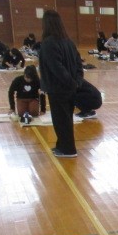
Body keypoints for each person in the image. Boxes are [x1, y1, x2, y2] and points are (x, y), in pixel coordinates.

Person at [39, 9, 83, 158]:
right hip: (69, 87)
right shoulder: (69, 42)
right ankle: (62, 145)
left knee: (61, 120)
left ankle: (68, 149)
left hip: (58, 88)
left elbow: (57, 68)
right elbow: (79, 64)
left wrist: (72, 82)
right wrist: (77, 82)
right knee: (65, 119)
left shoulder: (48, 43)